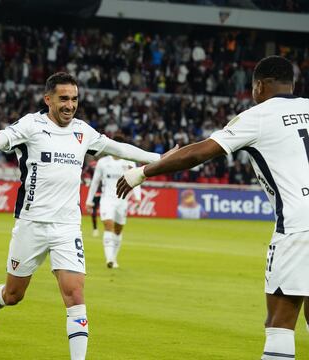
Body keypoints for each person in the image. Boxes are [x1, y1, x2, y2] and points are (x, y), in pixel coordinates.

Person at [0, 72, 173, 360]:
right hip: (31, 224)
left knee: (75, 296)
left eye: (74, 99)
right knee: (13, 295)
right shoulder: (31, 126)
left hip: (67, 227)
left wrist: (160, 159)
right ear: (48, 100)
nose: (70, 105)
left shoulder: (83, 132)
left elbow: (119, 148)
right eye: (63, 99)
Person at [117, 56, 309, 359]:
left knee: (279, 324)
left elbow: (198, 153)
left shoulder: (258, 116)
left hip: (299, 227)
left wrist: (142, 172)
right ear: (292, 85)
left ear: (259, 86)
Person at [85, 136, 141, 269]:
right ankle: (109, 259)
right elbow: (95, 182)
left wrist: (138, 197)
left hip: (122, 200)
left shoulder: (130, 163)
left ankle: (113, 258)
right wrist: (89, 201)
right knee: (108, 225)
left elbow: (137, 180)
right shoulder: (103, 162)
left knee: (118, 229)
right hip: (107, 200)